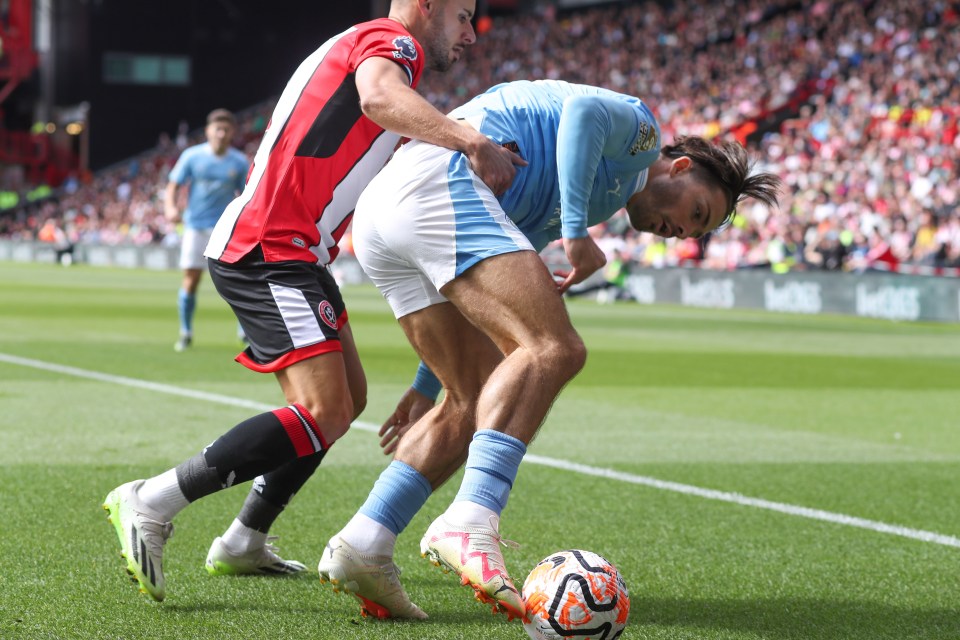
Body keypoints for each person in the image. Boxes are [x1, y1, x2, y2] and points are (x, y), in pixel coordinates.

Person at [103, 0, 523, 604]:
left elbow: (369, 130)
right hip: (270, 244)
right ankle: (152, 499)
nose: (470, 35)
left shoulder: (374, 50)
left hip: (298, 250)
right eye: (462, 17)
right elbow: (378, 98)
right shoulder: (391, 44)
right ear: (425, 5)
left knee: (347, 400)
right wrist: (470, 141)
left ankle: (245, 538)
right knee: (324, 409)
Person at [318, 79, 781, 620]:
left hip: (390, 216)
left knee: (471, 399)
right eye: (696, 213)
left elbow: (494, 283)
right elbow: (583, 112)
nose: (680, 232)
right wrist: (576, 232)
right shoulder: (643, 135)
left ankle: (364, 543)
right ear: (678, 170)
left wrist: (427, 386)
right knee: (555, 348)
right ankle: (472, 517)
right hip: (440, 182)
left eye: (693, 233)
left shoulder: (594, 193)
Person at [164, 108, 249, 352]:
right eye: (217, 129)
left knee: (238, 279)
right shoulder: (192, 156)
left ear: (232, 132)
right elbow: (173, 184)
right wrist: (170, 207)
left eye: (226, 129)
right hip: (195, 226)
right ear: (209, 131)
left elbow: (246, 194)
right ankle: (185, 332)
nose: (221, 133)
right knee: (191, 280)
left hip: (225, 229)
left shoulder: (239, 161)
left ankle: (244, 332)